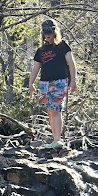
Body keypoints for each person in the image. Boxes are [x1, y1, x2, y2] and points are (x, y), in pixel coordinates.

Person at [28, 18, 78, 148]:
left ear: (55, 32)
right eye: (45, 32)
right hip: (45, 83)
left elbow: (71, 63)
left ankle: (57, 140)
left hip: (60, 81)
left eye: (49, 32)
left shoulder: (62, 46)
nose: (47, 35)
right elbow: (36, 68)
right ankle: (55, 139)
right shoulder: (40, 51)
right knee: (50, 110)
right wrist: (31, 83)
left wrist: (73, 81)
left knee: (56, 109)